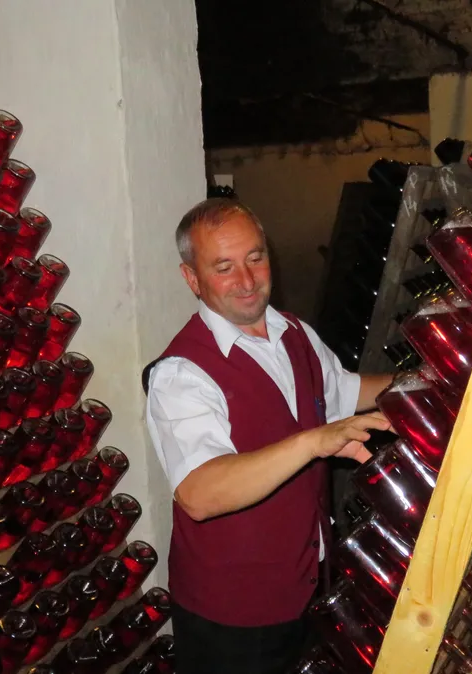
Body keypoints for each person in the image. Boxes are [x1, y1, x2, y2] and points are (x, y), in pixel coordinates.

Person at [142, 197, 394, 673]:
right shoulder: (181, 374)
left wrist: (424, 384)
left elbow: (346, 389)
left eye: (255, 258)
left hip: (308, 580)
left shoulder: (294, 332)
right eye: (224, 267)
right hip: (234, 615)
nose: (247, 280)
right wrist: (314, 441)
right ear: (192, 279)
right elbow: (200, 492)